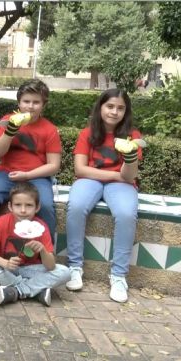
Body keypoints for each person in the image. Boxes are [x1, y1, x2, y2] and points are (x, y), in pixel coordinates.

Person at [65, 89, 143, 303]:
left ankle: (118, 276)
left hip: (120, 184)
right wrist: (114, 175)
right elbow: (80, 170)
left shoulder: (133, 136)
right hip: (90, 180)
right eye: (110, 106)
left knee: (127, 214)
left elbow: (130, 176)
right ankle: (74, 267)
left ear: (126, 112)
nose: (114, 112)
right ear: (100, 107)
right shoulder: (87, 133)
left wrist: (129, 157)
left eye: (120, 108)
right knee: (76, 207)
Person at [0, 79, 61, 251]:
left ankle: (47, 251)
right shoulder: (7, 121)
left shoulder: (49, 129)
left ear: (43, 105)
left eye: (36, 102)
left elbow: (54, 165)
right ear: (19, 103)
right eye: (26, 101)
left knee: (44, 205)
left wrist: (28, 175)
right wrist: (10, 131)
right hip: (6, 173)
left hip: (36, 176)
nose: (30, 106)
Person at [0, 183, 70, 306]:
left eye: (29, 205)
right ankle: (36, 290)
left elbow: (50, 266)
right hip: (8, 269)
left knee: (64, 272)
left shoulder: (41, 226)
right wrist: (5, 263)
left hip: (31, 270)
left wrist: (42, 250)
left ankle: (16, 291)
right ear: (10, 207)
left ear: (37, 207)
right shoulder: (3, 221)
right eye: (18, 205)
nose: (23, 210)